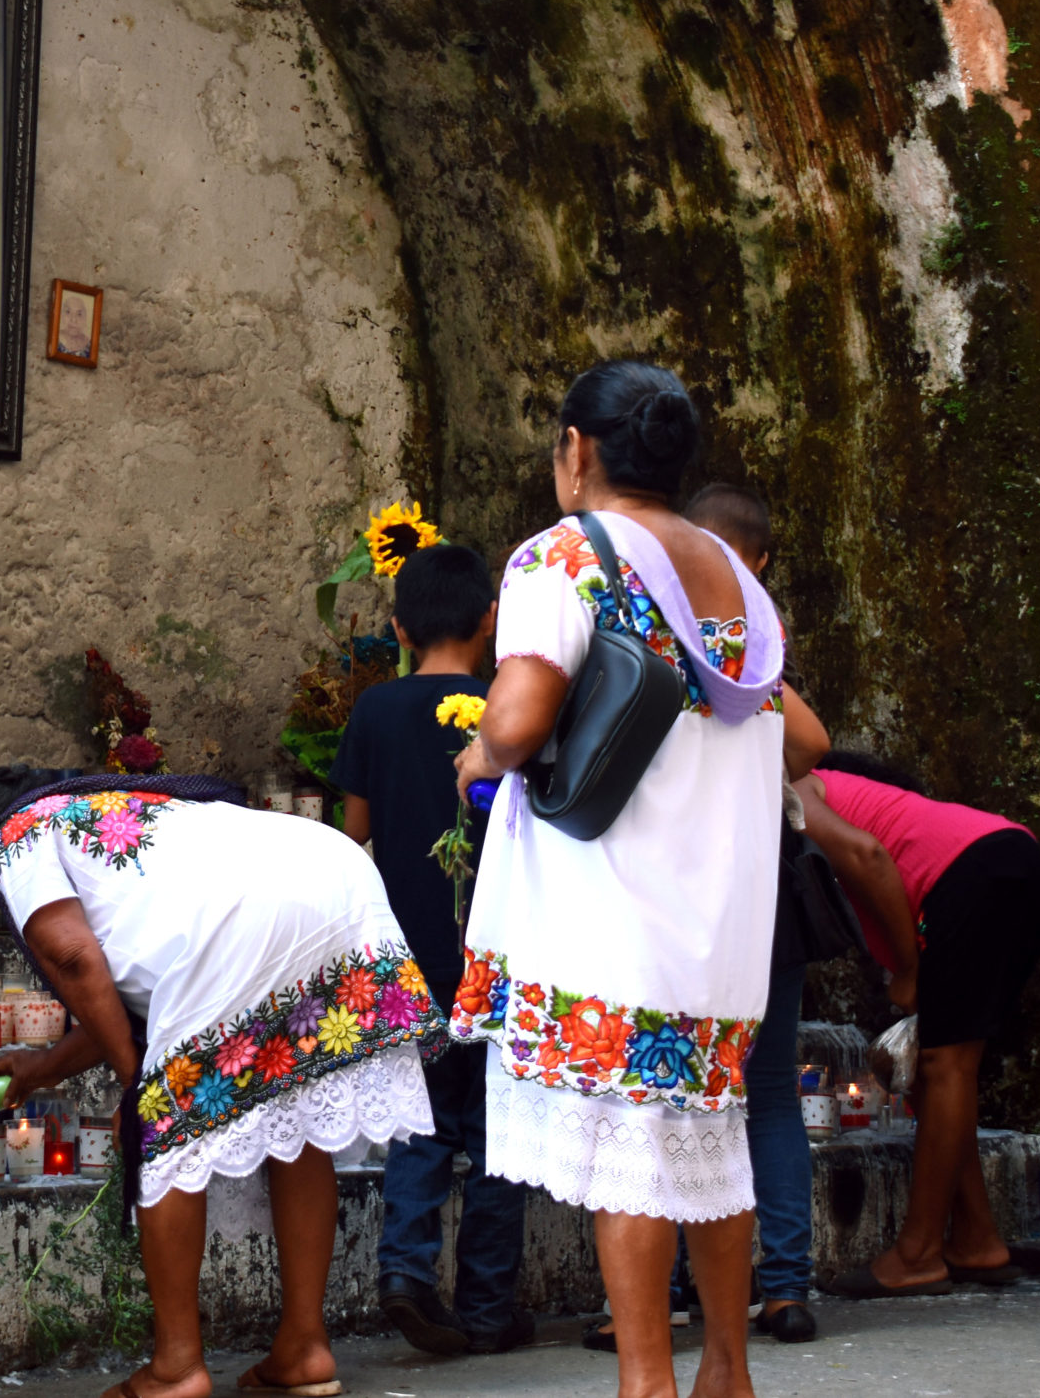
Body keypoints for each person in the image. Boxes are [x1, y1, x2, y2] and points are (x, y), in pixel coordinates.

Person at [453, 361, 788, 1398]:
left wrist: (475, 761)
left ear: (576, 451)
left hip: (613, 906)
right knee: (708, 1138)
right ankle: (724, 1373)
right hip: (721, 923)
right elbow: (789, 732)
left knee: (630, 1151)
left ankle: (645, 1383)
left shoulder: (562, 556)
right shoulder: (735, 575)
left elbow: (513, 723)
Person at [0, 768, 446, 1398]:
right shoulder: (94, 808)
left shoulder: (14, 837)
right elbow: (115, 994)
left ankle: (177, 1366)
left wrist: (135, 1091)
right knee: (298, 1108)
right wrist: (38, 1070)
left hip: (245, 914)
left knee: (165, 1136)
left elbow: (72, 957)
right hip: (329, 872)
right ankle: (304, 1350)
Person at [334, 544, 532, 1357]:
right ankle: (489, 1304)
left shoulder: (376, 710)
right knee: (498, 1131)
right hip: (501, 955)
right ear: (492, 619)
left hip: (408, 955)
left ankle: (406, 1271)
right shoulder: (509, 711)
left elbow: (354, 839)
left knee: (419, 1120)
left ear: (397, 626)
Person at [799, 753, 1040, 1299]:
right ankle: (976, 1239)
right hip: (1012, 865)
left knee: (945, 1066)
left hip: (975, 874)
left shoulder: (790, 786)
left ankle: (917, 1253)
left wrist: (906, 968)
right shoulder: (844, 791)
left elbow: (867, 856)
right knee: (943, 1068)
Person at [684, 484, 831, 1346]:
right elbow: (809, 744)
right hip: (759, 890)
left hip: (693, 893)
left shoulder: (696, 633)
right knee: (769, 1094)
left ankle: (682, 1294)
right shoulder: (756, 633)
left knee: (681, 1092)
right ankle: (784, 1288)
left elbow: (808, 740)